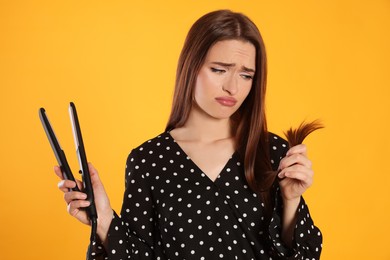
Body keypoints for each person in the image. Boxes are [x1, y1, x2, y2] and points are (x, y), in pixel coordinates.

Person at [55, 9, 323, 259]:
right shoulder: (149, 160)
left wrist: (291, 200)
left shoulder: (274, 151)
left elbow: (306, 254)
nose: (232, 87)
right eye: (219, 70)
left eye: (246, 75)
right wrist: (102, 220)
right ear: (190, 67)